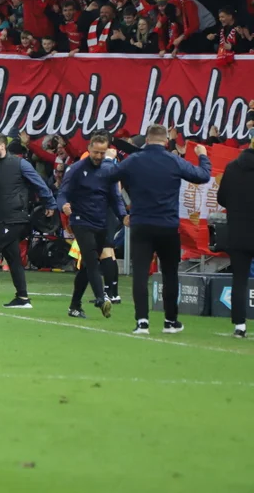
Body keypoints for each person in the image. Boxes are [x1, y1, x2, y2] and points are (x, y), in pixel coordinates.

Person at [104, 124, 211, 335]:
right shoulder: (173, 160)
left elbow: (108, 175)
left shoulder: (134, 160)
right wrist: (203, 155)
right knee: (170, 274)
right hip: (168, 226)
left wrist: (108, 157)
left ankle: (142, 321)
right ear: (165, 141)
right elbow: (203, 176)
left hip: (142, 224)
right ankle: (170, 321)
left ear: (147, 140)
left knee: (140, 274)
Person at [0, 134, 57, 308]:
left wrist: (50, 202)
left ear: (2, 146)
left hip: (15, 217)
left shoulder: (19, 164)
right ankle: (22, 298)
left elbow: (39, 183)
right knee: (13, 258)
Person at [57, 133, 128, 320]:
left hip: (101, 221)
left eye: (102, 153)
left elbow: (115, 197)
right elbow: (63, 193)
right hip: (80, 220)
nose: (98, 156)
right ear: (89, 149)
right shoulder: (77, 169)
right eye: (96, 152)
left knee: (88, 266)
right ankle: (100, 298)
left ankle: (74, 306)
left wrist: (123, 216)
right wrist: (63, 206)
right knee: (91, 259)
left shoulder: (108, 170)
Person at [217, 144, 254, 338]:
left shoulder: (232, 167)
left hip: (238, 232)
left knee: (239, 280)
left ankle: (240, 325)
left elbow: (221, 198)